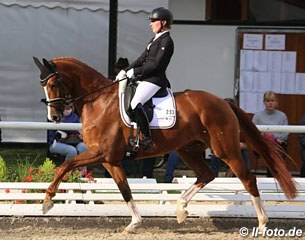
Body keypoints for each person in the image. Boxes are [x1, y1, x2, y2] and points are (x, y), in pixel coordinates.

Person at [115, 7, 174, 150]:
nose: (151, 23)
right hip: (145, 78)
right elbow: (142, 59)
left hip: (155, 80)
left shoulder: (166, 42)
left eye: (153, 21)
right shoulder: (155, 39)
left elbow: (156, 65)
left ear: (163, 22)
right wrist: (126, 70)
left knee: (135, 103)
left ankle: (147, 139)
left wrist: (136, 71)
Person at [252, 91, 289, 177]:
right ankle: (273, 176)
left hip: (278, 144)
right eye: (268, 101)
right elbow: (253, 134)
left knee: (275, 151)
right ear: (264, 102)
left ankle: (273, 176)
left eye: (272, 101)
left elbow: (285, 135)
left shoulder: (282, 116)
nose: (270, 103)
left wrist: (273, 136)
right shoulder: (257, 116)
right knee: (270, 152)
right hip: (262, 144)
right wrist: (265, 137)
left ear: (276, 102)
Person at [48, 104, 87, 170]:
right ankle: (65, 171)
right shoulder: (55, 116)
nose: (67, 109)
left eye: (69, 107)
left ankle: (83, 173)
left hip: (73, 141)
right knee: (71, 151)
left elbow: (79, 131)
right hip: (55, 142)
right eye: (65, 107)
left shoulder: (75, 116)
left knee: (83, 147)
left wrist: (80, 134)